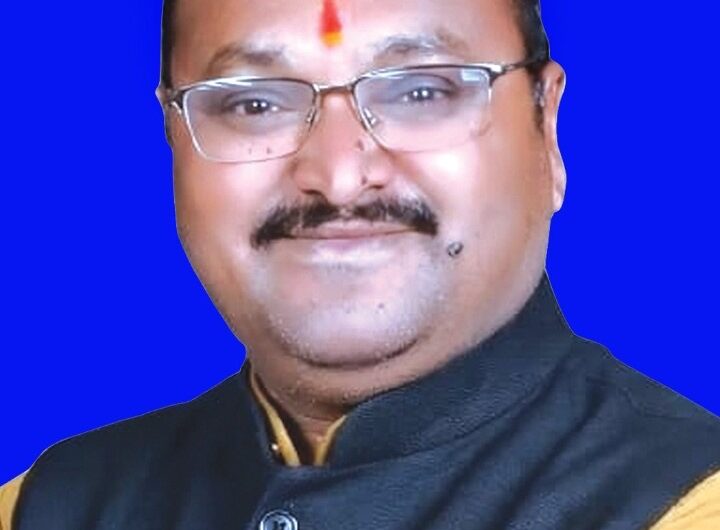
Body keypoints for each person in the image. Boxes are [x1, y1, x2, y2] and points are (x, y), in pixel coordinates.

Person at [2, 0, 719, 528]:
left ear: (547, 128)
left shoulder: (685, 502)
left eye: (421, 91)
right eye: (254, 103)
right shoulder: (50, 506)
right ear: (172, 138)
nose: (340, 178)